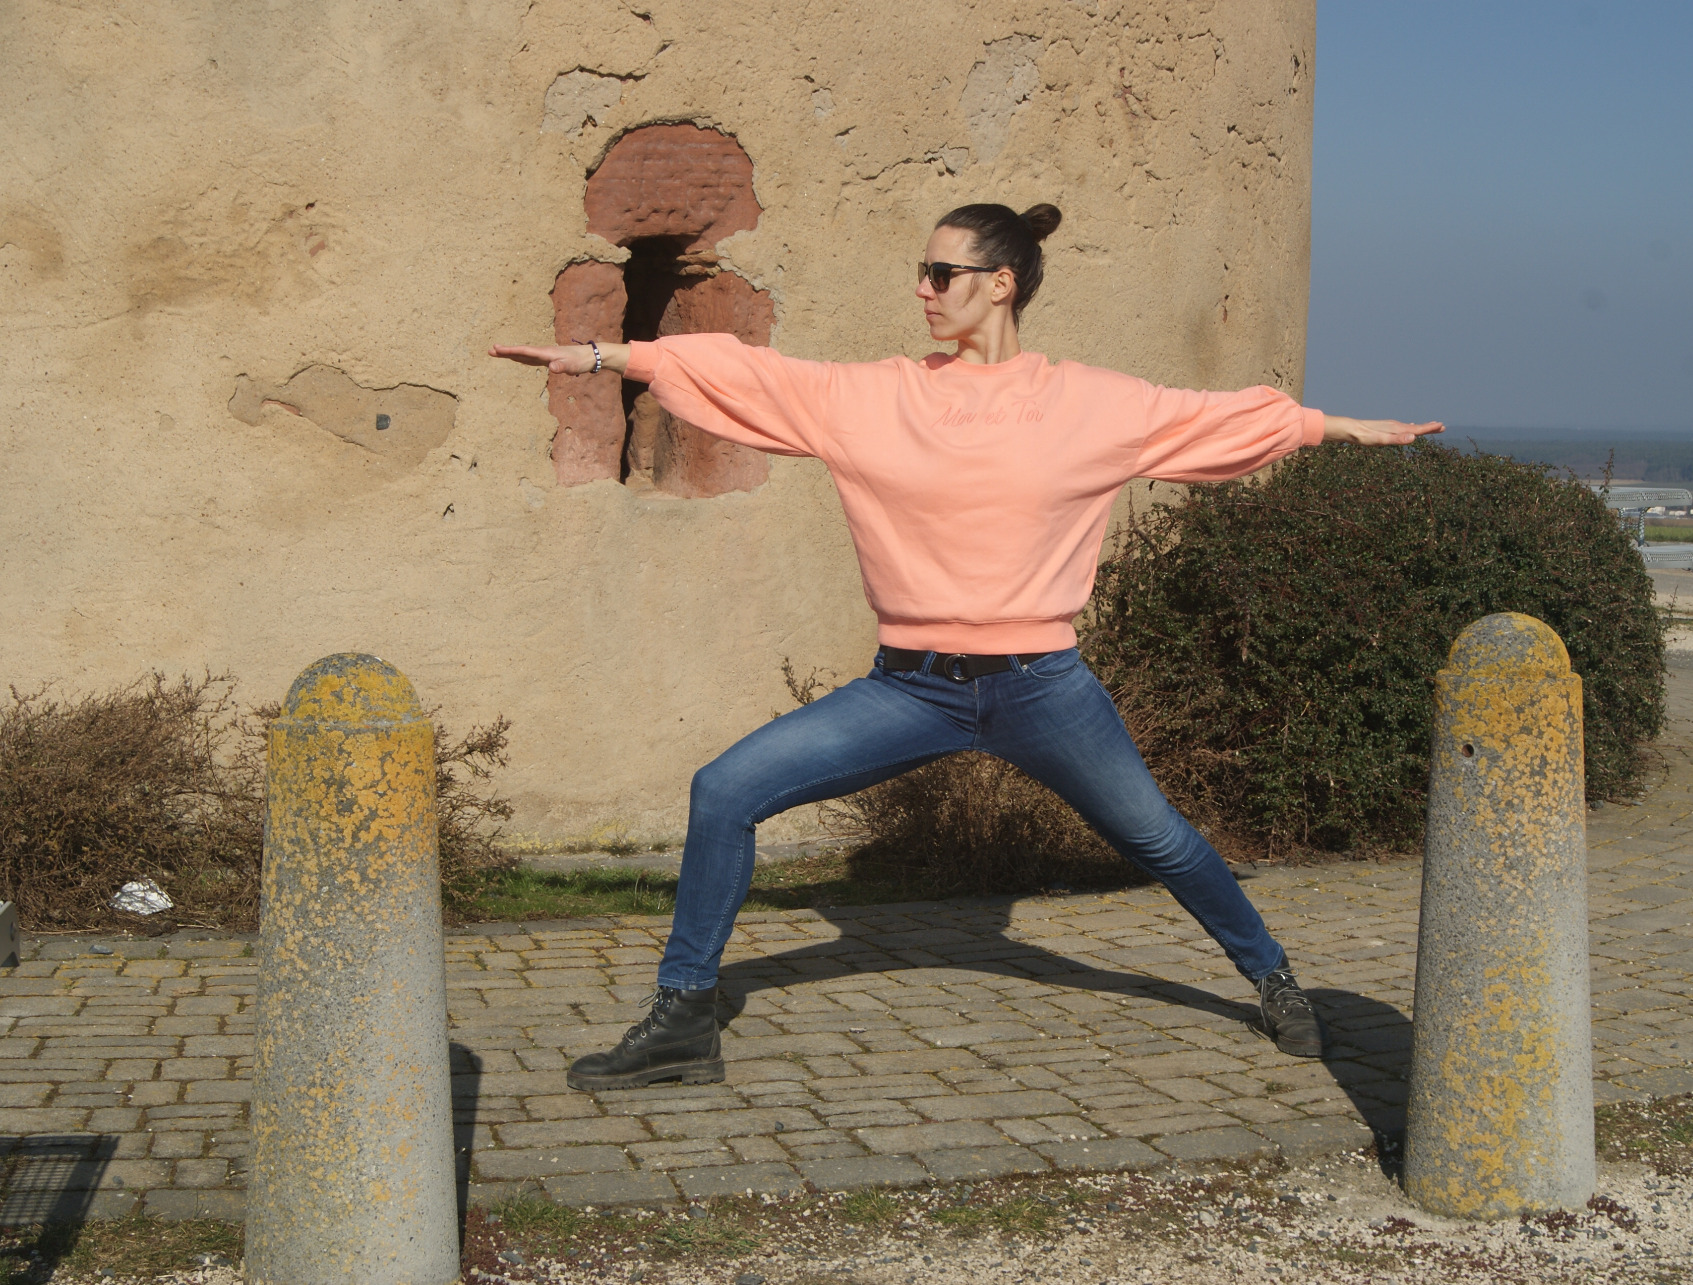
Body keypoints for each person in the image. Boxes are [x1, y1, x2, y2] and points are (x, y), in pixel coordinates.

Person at [490, 202, 1442, 1092]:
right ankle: (685, 1018)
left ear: (1001, 284)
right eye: (922, 271)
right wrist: (602, 356)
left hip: (1043, 689)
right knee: (724, 790)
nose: (923, 289)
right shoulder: (875, 396)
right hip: (910, 690)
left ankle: (1273, 977)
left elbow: (1210, 416)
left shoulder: (1090, 403)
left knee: (1158, 837)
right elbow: (751, 374)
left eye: (942, 274)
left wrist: (1332, 426)